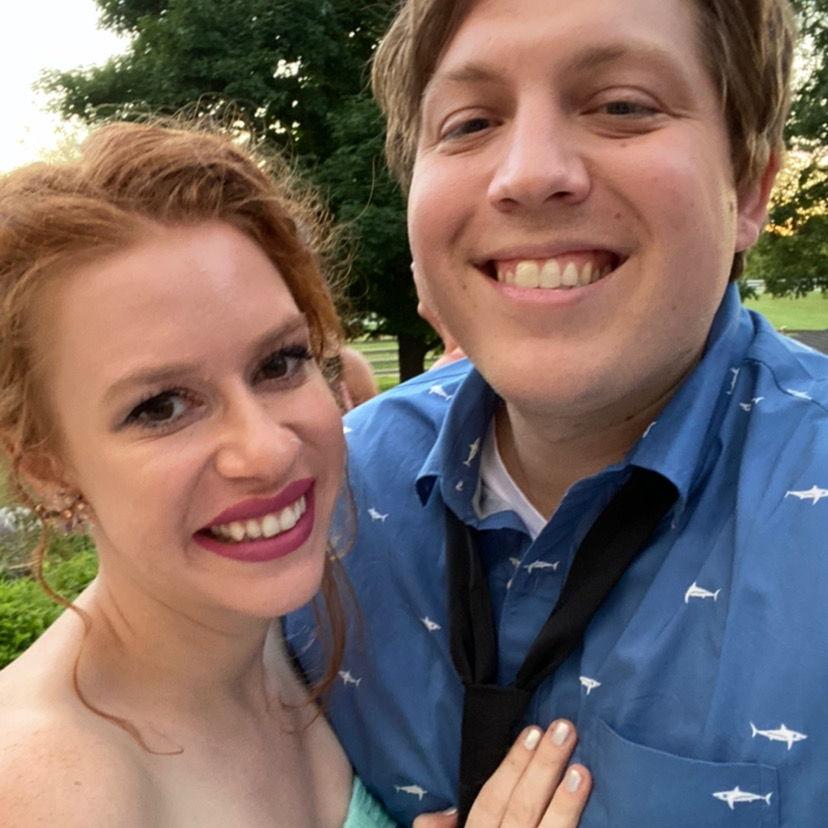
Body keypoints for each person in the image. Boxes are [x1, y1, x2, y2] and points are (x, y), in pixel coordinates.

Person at [286, 0, 828, 824]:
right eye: (470, 124)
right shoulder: (320, 504)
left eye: (623, 106)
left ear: (748, 189)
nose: (529, 174)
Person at [0, 121, 590, 826]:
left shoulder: (297, 635)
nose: (267, 451)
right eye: (161, 407)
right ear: (45, 467)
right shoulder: (53, 784)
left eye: (279, 362)